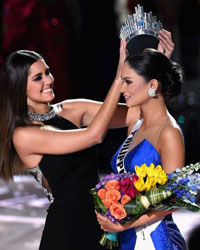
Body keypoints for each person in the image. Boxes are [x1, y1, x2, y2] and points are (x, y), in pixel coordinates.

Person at [0, 30, 173, 250]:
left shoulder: (73, 109)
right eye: (38, 78)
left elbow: (139, 112)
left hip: (102, 227)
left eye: (48, 72)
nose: (49, 80)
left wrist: (158, 70)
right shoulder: (24, 135)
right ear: (18, 87)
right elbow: (94, 136)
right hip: (66, 233)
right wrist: (119, 78)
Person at [96, 48, 187, 250]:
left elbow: (174, 198)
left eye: (128, 82)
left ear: (152, 85)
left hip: (154, 239)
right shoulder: (135, 125)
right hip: (126, 236)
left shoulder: (169, 133)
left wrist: (125, 222)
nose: (123, 89)